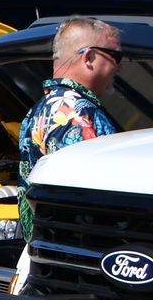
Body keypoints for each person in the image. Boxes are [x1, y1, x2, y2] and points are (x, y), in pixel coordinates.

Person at [18, 17, 124, 239]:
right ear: (89, 57)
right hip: (81, 250)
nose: (119, 66)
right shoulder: (77, 115)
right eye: (116, 57)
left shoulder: (40, 109)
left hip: (48, 246)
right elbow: (95, 196)